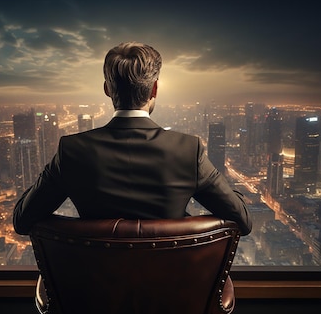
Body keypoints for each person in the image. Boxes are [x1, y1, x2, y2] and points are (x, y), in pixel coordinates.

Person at [13, 42, 251, 236]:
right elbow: (243, 220)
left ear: (107, 88)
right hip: (174, 289)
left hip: (93, 289)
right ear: (154, 89)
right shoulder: (188, 150)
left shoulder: (72, 150)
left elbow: (23, 220)